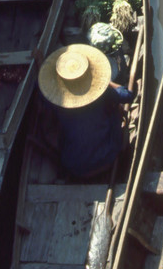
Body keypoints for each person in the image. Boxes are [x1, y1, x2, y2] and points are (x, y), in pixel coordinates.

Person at [38, 44, 133, 178]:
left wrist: (40, 63)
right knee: (115, 109)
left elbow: (42, 92)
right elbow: (128, 95)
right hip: (107, 158)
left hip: (73, 166)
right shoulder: (102, 94)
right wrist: (107, 83)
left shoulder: (55, 100)